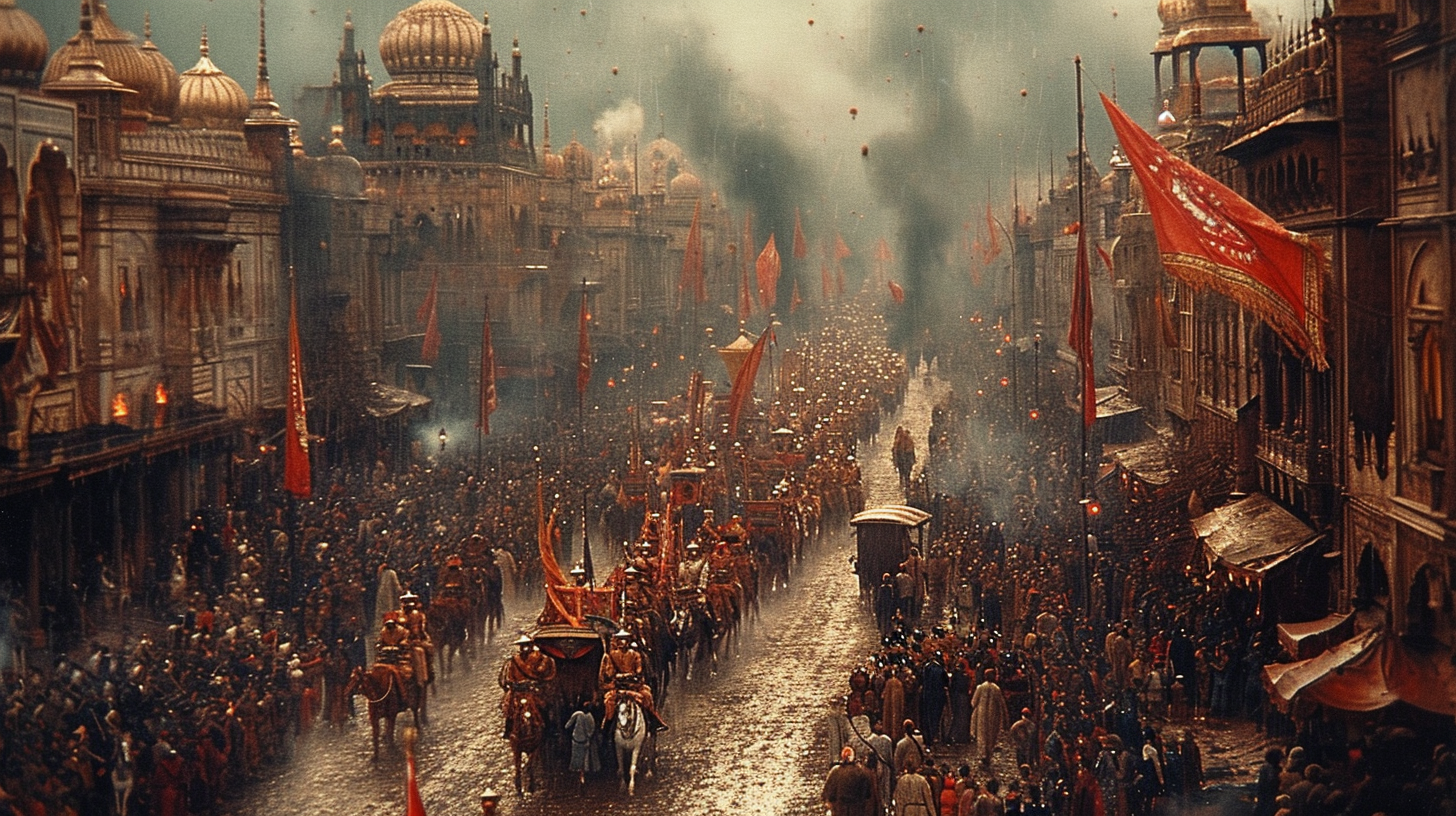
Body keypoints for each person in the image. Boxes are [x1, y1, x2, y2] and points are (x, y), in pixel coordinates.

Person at [599, 629, 667, 732]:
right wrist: (617, 676)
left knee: (647, 696)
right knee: (608, 701)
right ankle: (607, 728)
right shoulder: (612, 655)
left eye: (624, 640)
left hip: (634, 685)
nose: (622, 642)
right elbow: (610, 671)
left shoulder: (635, 654)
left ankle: (653, 722)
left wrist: (631, 675)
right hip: (618, 686)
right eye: (620, 640)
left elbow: (639, 670)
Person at [498, 635, 556, 738]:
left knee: (543, 706)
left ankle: (549, 729)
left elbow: (545, 673)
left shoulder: (540, 658)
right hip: (518, 691)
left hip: (533, 691)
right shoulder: (513, 660)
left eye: (526, 645)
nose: (524, 647)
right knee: (510, 710)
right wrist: (511, 684)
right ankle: (508, 729)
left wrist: (538, 682)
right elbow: (508, 676)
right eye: (522, 645)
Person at [971, 668, 1010, 769]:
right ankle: (988, 755)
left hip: (981, 714)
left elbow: (973, 702)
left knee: (982, 734)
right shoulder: (996, 688)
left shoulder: (980, 687)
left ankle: (983, 755)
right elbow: (1001, 704)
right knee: (991, 735)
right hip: (993, 715)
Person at [823, 746, 879, 816]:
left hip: (840, 810)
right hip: (857, 810)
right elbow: (867, 794)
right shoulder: (862, 771)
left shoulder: (835, 771)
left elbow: (828, 794)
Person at [564, 698, 599, 784]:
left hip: (577, 739)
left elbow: (567, 725)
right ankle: (582, 772)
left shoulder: (578, 714)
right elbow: (591, 729)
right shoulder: (590, 717)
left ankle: (578, 771)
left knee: (578, 756)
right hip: (583, 740)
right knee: (584, 757)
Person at [1254, 747, 1283, 816]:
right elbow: (1272, 781)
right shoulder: (1272, 769)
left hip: (1263, 801)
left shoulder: (1264, 768)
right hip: (1270, 801)